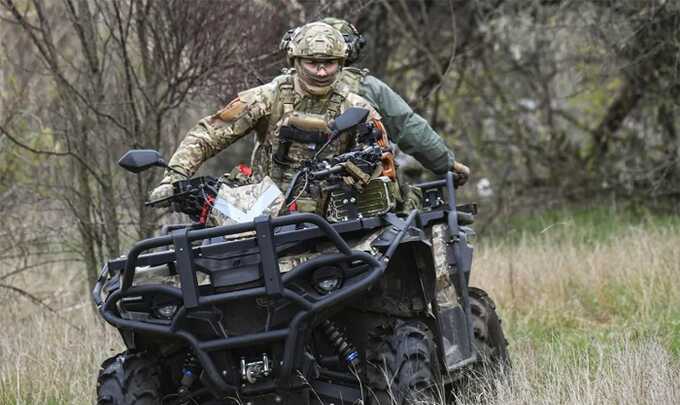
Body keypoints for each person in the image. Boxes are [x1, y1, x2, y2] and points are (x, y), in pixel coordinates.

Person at [150, 22, 383, 213]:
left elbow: (382, 162)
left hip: (333, 215)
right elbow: (208, 134)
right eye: (312, 63)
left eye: (329, 64)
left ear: (341, 63)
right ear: (296, 61)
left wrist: (357, 169)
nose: (321, 72)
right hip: (262, 209)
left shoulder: (357, 107)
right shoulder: (267, 97)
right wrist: (174, 178)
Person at [281, 17, 470, 184]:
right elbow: (408, 127)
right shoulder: (366, 87)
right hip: (353, 191)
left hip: (287, 189)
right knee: (409, 202)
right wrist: (447, 164)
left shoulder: (283, 86)